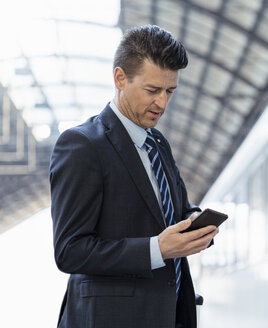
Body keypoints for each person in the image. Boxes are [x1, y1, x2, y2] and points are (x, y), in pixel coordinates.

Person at [49, 25, 218, 328]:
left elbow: (176, 211)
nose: (163, 104)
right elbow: (69, 251)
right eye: (153, 91)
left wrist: (196, 224)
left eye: (170, 91)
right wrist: (158, 249)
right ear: (120, 78)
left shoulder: (158, 144)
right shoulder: (82, 145)